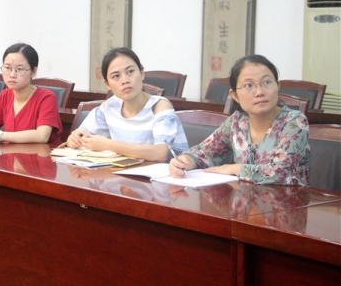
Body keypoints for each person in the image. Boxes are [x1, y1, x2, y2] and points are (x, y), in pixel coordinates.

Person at [168, 54, 310, 185]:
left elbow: (280, 173)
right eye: (249, 85)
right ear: (235, 95)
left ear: (278, 86)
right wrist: (184, 161)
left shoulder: (294, 122)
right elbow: (203, 153)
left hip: (288, 201)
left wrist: (234, 168)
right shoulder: (237, 121)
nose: (259, 92)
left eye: (267, 82)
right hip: (245, 200)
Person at [66, 47, 188, 161]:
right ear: (107, 84)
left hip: (166, 174)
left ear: (142, 74)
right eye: (116, 76)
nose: (125, 80)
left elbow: (161, 153)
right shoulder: (109, 107)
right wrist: (75, 139)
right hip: (125, 172)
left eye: (130, 72)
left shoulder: (159, 106)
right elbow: (82, 135)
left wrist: (109, 145)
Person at [0, 43, 62, 146]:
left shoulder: (46, 97)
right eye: (7, 68)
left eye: (20, 69)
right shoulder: (5, 96)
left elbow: (42, 136)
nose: (12, 75)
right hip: (11, 154)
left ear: (33, 72)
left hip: (41, 155)